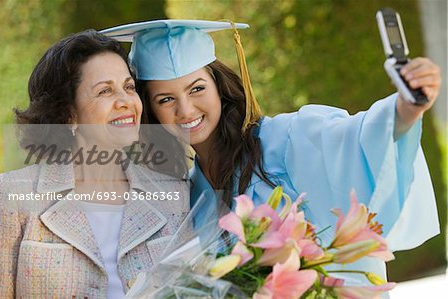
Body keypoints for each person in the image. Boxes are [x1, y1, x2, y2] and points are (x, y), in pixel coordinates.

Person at [101, 20, 440, 291]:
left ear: (219, 87)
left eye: (197, 88)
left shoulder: (286, 138)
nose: (186, 109)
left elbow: (358, 138)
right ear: (151, 112)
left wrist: (408, 107)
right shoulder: (190, 195)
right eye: (165, 99)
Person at [0, 29, 189, 298]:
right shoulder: (12, 197)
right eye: (105, 91)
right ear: (67, 112)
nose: (125, 102)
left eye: (129, 87)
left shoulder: (175, 195)